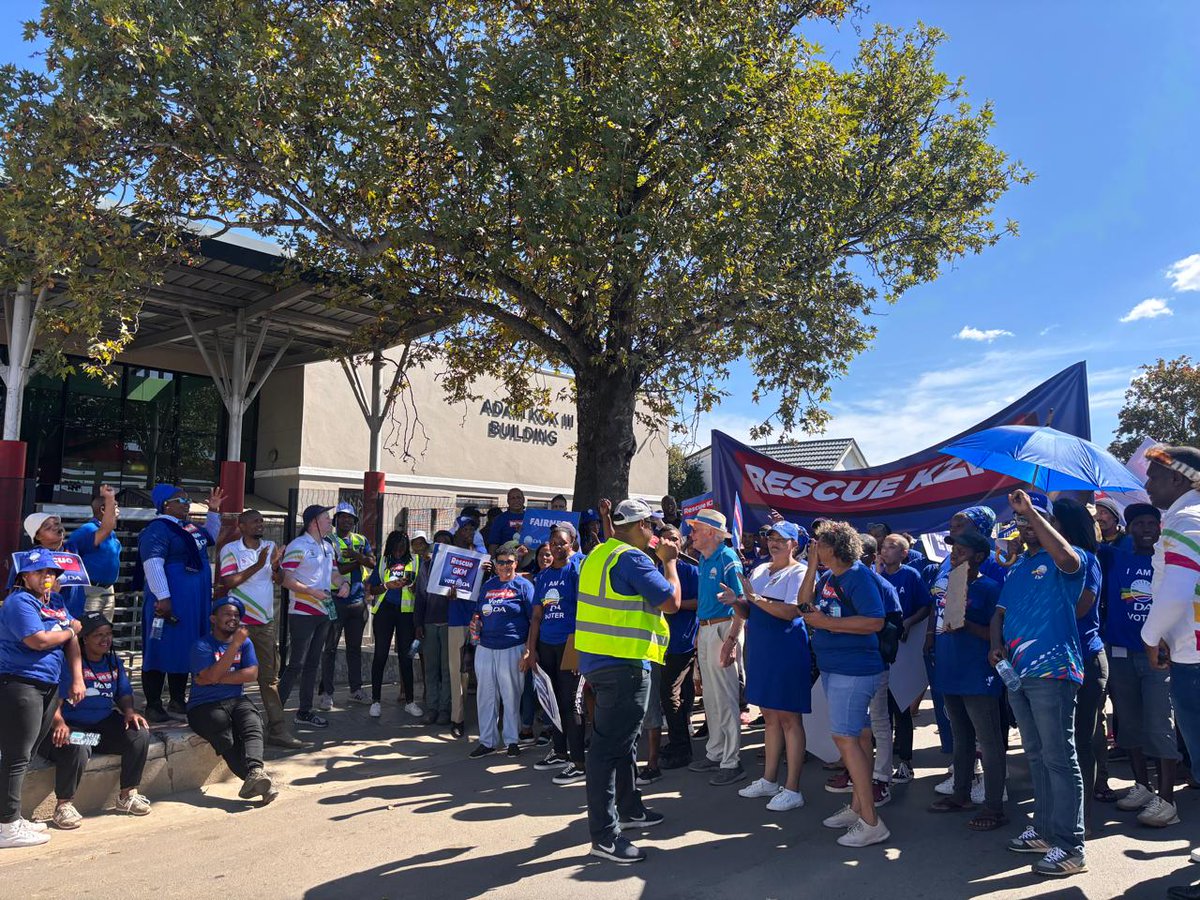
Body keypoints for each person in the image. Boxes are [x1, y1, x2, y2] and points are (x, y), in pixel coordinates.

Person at [576, 498, 681, 863]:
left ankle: (630, 808)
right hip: (623, 665)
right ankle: (604, 836)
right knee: (608, 750)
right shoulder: (632, 557)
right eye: (651, 526)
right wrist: (669, 561)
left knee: (623, 743)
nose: (654, 533)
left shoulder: (599, 553)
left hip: (600, 661)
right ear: (639, 527)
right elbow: (670, 601)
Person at [989, 489, 1087, 877]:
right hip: (1018, 673)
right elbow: (1000, 613)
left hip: (1054, 671)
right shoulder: (1018, 567)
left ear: (1052, 524)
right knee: (1036, 756)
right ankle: (1046, 832)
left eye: (1031, 521)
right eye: (1020, 523)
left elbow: (1067, 558)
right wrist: (995, 645)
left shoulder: (1068, 559)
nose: (1024, 527)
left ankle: (1071, 846)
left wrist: (1031, 510)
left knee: (1059, 758)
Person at [797, 522, 890, 847]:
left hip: (854, 670)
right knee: (859, 737)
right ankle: (858, 808)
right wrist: (810, 567)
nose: (814, 548)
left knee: (845, 738)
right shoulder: (829, 576)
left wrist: (829, 623)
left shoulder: (859, 577)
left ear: (835, 548)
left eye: (819, 545)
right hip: (836, 668)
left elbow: (875, 621)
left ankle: (871, 821)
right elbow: (804, 604)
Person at [1138, 446, 1200, 900]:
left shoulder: (1185, 520)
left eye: (1155, 476)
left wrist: (1149, 635)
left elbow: (1177, 589)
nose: (1146, 485)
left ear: (1179, 479)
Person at [0, 550, 84, 848]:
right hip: (20, 684)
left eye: (51, 573)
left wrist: (77, 677)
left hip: (49, 686)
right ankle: (7, 825)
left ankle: (11, 816)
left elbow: (73, 637)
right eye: (39, 572)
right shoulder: (18, 602)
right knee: (16, 756)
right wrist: (67, 629)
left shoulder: (56, 602)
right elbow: (38, 640)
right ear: (25, 576)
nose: (46, 577)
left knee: (29, 752)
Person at [1103, 503, 1180, 826]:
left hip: (1158, 656)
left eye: (1152, 522)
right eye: (1139, 523)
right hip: (1120, 652)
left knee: (1160, 724)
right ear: (1128, 528)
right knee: (1130, 724)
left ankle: (1168, 800)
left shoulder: (1169, 560)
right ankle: (1143, 786)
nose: (1146, 528)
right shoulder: (1113, 557)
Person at [39, 611, 151, 828]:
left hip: (101, 727)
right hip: (70, 726)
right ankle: (63, 806)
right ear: (84, 638)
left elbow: (124, 693)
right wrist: (60, 724)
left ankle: (127, 795)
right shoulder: (68, 664)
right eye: (99, 635)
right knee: (80, 745)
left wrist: (129, 711)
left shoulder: (113, 661)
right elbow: (52, 701)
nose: (105, 639)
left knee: (139, 733)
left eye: (108, 634)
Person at [928, 532, 1006, 831]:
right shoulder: (948, 583)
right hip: (949, 671)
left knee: (988, 740)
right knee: (961, 737)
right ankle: (960, 794)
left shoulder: (989, 588)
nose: (955, 555)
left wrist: (966, 625)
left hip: (977, 675)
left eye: (962, 551)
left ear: (979, 556)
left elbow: (995, 634)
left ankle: (994, 806)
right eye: (953, 550)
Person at [733, 521, 810, 812]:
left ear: (794, 544)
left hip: (787, 649)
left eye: (782, 539)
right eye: (771, 538)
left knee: (789, 718)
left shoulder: (801, 571)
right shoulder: (760, 570)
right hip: (762, 649)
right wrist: (737, 601)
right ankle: (769, 780)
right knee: (769, 715)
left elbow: (791, 611)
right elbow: (750, 610)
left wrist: (755, 599)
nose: (774, 543)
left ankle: (793, 788)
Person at [139, 484, 225, 723]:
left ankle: (178, 699)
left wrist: (214, 511)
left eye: (188, 500)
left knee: (185, 649)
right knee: (160, 649)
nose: (187, 504)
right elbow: (153, 563)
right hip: (171, 601)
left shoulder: (188, 527)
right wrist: (163, 597)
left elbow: (210, 538)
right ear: (166, 504)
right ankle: (154, 704)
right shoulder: (158, 529)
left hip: (193, 602)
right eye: (181, 500)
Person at [218, 510, 302, 749]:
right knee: (231, 675)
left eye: (262, 522)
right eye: (255, 521)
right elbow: (229, 582)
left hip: (264, 623)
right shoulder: (231, 550)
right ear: (241, 525)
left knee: (269, 677)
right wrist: (257, 564)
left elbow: (278, 579)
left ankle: (277, 729)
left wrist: (276, 567)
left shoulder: (270, 546)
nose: (260, 525)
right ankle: (228, 728)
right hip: (238, 624)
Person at [186, 598, 277, 805]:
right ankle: (258, 782)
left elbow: (252, 674)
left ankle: (255, 771)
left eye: (236, 615)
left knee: (253, 720)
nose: (233, 619)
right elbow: (211, 677)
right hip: (203, 706)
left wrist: (214, 677)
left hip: (235, 699)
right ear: (213, 619)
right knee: (224, 733)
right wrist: (234, 645)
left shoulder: (245, 643)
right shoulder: (202, 645)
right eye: (227, 614)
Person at [1053, 497, 1107, 835]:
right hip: (1058, 659)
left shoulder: (1085, 560)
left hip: (1085, 658)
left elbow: (1082, 608)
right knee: (1059, 742)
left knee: (1081, 741)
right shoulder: (1045, 560)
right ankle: (1063, 810)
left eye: (1052, 522)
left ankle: (1081, 817)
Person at [686, 508, 746, 786]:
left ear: (711, 532)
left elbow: (741, 604)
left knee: (725, 696)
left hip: (724, 628)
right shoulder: (704, 558)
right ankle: (716, 752)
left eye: (696, 528)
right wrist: (701, 632)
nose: (691, 533)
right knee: (710, 696)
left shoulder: (728, 558)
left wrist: (732, 640)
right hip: (708, 628)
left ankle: (731, 761)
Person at [525, 526, 585, 783]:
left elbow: (585, 611)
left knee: (571, 703)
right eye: (553, 543)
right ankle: (560, 751)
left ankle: (579, 762)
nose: (556, 547)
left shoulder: (577, 570)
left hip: (569, 643)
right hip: (546, 645)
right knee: (552, 702)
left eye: (561, 542)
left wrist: (580, 650)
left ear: (572, 543)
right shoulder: (545, 576)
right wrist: (531, 649)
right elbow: (537, 616)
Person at [875, 533, 932, 786]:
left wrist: (908, 622)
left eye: (892, 547)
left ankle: (906, 762)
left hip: (903, 649)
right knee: (880, 710)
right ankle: (882, 764)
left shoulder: (910, 576)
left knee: (901, 708)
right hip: (878, 650)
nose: (885, 550)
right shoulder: (873, 575)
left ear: (904, 553)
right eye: (883, 546)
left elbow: (925, 606)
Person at [470, 548, 533, 758]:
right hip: (486, 647)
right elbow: (479, 612)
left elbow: (534, 619)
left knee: (512, 696)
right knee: (486, 697)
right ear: (495, 565)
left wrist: (529, 650)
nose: (506, 566)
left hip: (512, 647)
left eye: (510, 562)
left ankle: (512, 740)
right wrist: (475, 623)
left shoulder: (524, 586)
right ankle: (487, 741)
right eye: (501, 562)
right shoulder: (488, 586)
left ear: (516, 563)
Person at [278, 504, 336, 729]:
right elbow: (285, 578)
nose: (330, 522)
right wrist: (312, 591)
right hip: (303, 612)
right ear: (314, 523)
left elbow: (333, 574)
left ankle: (304, 711)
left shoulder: (327, 546)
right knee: (296, 665)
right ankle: (276, 712)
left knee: (313, 663)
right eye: (327, 518)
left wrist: (342, 583)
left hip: (323, 611)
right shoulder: (298, 546)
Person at [318, 502, 375, 709]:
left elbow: (373, 562)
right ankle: (327, 693)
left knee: (354, 648)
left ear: (355, 521)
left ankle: (356, 690)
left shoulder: (361, 540)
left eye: (350, 518)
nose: (346, 521)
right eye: (342, 517)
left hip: (357, 601)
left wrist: (359, 557)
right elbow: (339, 569)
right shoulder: (328, 541)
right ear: (336, 520)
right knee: (330, 648)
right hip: (335, 601)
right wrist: (361, 560)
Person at [656, 524, 700, 770]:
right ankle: (677, 741)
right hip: (658, 642)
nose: (669, 543)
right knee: (673, 694)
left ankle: (681, 747)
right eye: (664, 539)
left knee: (669, 693)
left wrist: (674, 603)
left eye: (673, 538)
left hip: (681, 641)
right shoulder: (653, 569)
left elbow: (699, 603)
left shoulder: (689, 569)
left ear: (681, 542)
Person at [367, 530, 424, 719]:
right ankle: (376, 701)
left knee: (406, 657)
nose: (399, 552)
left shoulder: (416, 561)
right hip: (385, 612)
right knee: (381, 654)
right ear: (390, 547)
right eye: (395, 549)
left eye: (402, 549)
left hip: (406, 614)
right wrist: (387, 586)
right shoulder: (383, 562)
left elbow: (422, 588)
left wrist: (414, 587)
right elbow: (373, 588)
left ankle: (410, 701)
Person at [65, 484, 121, 619]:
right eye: (115, 506)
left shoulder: (110, 533)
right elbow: (70, 555)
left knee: (104, 631)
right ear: (104, 509)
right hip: (90, 590)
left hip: (108, 589)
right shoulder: (88, 530)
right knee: (89, 632)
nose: (118, 510)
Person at [411, 532, 450, 726]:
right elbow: (420, 598)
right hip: (429, 623)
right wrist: (418, 624)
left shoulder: (458, 569)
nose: (441, 546)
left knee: (447, 669)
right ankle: (432, 708)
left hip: (450, 625)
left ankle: (445, 709)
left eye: (446, 543)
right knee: (431, 669)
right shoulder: (426, 567)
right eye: (438, 543)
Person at [18, 512, 87, 619]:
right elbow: (16, 595)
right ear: (38, 536)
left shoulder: (72, 548)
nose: (56, 528)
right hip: (45, 621)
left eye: (57, 524)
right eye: (48, 527)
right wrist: (49, 594)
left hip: (75, 618)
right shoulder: (28, 559)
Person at [446, 526, 478, 739]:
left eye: (471, 529)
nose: (468, 533)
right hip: (457, 621)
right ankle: (457, 719)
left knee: (486, 674)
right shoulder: (447, 560)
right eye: (464, 529)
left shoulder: (483, 557)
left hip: (483, 621)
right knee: (459, 673)